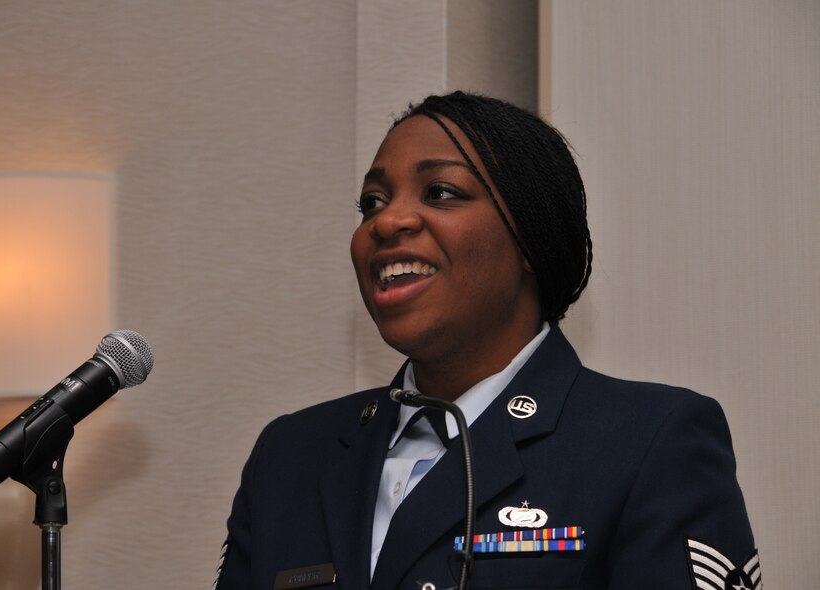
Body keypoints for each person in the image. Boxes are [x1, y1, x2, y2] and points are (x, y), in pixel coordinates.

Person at [213, 91, 759, 589]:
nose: (387, 221)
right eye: (372, 202)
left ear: (529, 235)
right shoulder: (291, 454)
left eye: (441, 192)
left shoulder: (649, 442)